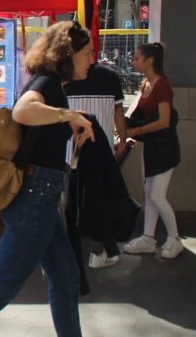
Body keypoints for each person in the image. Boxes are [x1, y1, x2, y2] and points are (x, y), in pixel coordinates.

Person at [0, 21, 95, 337]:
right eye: (88, 53)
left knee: (66, 277)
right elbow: (23, 112)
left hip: (42, 195)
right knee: (0, 285)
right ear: (69, 54)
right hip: (35, 199)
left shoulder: (50, 83)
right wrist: (68, 116)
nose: (92, 59)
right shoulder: (47, 83)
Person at [64, 62, 129, 269]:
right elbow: (118, 111)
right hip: (100, 151)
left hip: (71, 152)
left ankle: (86, 250)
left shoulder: (62, 79)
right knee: (98, 200)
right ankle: (99, 250)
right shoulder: (109, 76)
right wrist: (122, 140)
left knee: (73, 201)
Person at [123, 42, 183, 259]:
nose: (134, 61)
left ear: (150, 60)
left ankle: (174, 239)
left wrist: (134, 130)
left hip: (165, 149)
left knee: (157, 196)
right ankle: (148, 238)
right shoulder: (146, 83)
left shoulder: (162, 85)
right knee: (150, 194)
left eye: (137, 58)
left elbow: (164, 121)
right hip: (151, 147)